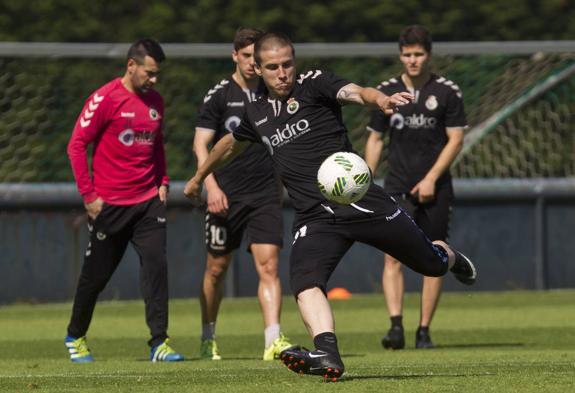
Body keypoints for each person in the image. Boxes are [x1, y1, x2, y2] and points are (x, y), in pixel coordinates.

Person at [183, 32, 476, 380]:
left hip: (362, 201)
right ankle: (327, 353)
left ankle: (450, 257)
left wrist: (379, 99)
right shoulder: (255, 111)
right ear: (257, 69)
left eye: (287, 64)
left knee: (431, 264)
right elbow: (230, 144)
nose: (282, 73)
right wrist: (199, 177)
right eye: (273, 67)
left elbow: (355, 92)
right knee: (305, 281)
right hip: (315, 216)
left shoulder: (314, 84)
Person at [65, 38, 184, 363]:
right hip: (110, 206)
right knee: (96, 277)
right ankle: (75, 335)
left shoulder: (156, 101)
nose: (154, 79)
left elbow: (157, 146)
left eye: (157, 74)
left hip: (147, 202)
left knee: (156, 266)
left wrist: (163, 181)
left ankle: (159, 342)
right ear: (131, 66)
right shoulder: (105, 98)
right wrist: (89, 196)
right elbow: (76, 145)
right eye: (150, 72)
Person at [365, 25, 466, 350]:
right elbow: (376, 139)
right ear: (400, 56)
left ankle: (424, 331)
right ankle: (396, 327)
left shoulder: (447, 92)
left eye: (418, 54)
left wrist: (431, 178)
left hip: (435, 188)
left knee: (435, 254)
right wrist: (365, 178)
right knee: (392, 257)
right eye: (407, 54)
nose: (413, 60)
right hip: (397, 186)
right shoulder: (387, 91)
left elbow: (456, 139)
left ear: (429, 55)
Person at [193, 27, 292, 361]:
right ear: (235, 56)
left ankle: (272, 340)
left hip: (264, 193)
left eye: (257, 56)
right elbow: (201, 144)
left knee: (269, 266)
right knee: (216, 269)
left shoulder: (274, 93)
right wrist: (211, 186)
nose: (253, 62)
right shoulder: (219, 96)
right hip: (226, 194)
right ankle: (208, 336)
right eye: (247, 56)